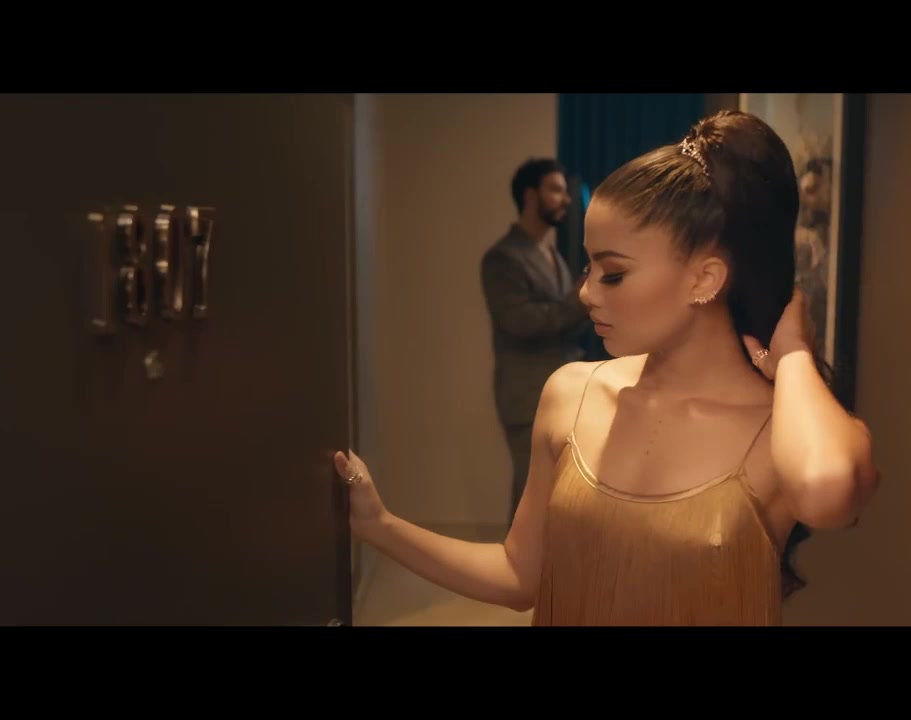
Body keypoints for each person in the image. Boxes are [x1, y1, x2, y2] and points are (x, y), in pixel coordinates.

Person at [333, 110, 878, 626]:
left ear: (704, 279)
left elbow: (826, 489)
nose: (586, 293)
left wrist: (794, 355)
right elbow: (520, 575)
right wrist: (379, 526)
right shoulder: (571, 393)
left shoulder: (780, 426)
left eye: (613, 274)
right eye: (589, 266)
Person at [480, 158, 591, 524]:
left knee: (554, 496)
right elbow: (520, 322)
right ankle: (518, 562)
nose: (566, 200)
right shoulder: (503, 258)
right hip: (527, 394)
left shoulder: (551, 253)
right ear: (530, 196)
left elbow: (560, 321)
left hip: (559, 389)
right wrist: (576, 302)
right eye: (556, 190)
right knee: (532, 498)